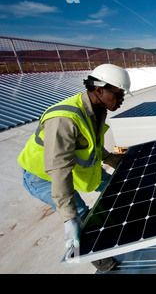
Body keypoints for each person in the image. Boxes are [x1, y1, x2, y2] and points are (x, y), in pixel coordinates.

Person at [17, 64, 132, 273]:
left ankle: (122, 223)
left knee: (114, 186)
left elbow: (90, 146)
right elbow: (59, 171)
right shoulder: (64, 119)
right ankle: (104, 264)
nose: (122, 99)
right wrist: (69, 218)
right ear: (99, 90)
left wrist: (113, 160)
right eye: (119, 94)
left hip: (70, 170)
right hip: (43, 176)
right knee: (80, 216)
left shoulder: (97, 108)